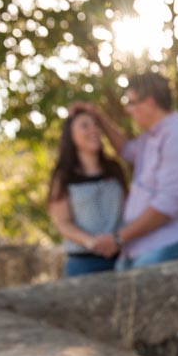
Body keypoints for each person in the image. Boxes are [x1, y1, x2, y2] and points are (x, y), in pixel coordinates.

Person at [71, 72, 178, 268]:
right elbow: (125, 149)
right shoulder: (150, 139)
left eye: (131, 103)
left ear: (149, 103)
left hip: (171, 244)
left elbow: (165, 207)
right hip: (141, 248)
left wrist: (117, 238)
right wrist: (99, 119)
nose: (129, 110)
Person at [47, 108, 128, 277]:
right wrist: (92, 242)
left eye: (96, 125)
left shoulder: (114, 169)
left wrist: (118, 239)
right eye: (85, 126)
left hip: (124, 258)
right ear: (71, 135)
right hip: (84, 263)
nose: (94, 130)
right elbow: (62, 223)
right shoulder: (63, 176)